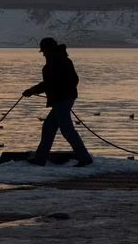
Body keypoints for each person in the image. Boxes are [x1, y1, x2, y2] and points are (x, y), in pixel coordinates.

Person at [22, 37, 93, 167]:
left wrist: (33, 90)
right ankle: (40, 159)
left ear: (49, 49)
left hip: (62, 101)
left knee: (67, 130)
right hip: (63, 100)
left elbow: (51, 83)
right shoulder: (63, 61)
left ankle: (84, 157)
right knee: (48, 128)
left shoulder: (55, 63)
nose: (43, 54)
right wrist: (33, 90)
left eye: (44, 51)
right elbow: (68, 81)